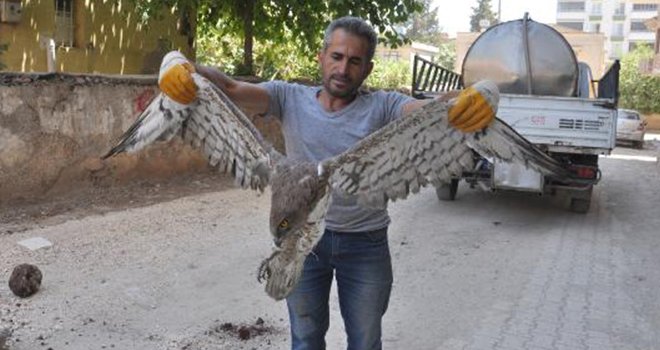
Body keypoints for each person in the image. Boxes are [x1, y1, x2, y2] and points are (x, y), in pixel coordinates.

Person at [158, 16, 494, 350]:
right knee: (305, 339)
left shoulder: (383, 105)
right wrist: (182, 66)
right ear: (322, 57)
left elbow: (427, 110)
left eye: (354, 61)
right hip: (302, 245)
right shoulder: (288, 97)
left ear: (367, 69)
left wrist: (475, 97)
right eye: (337, 56)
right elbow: (230, 88)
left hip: (365, 244)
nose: (343, 69)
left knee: (365, 341)